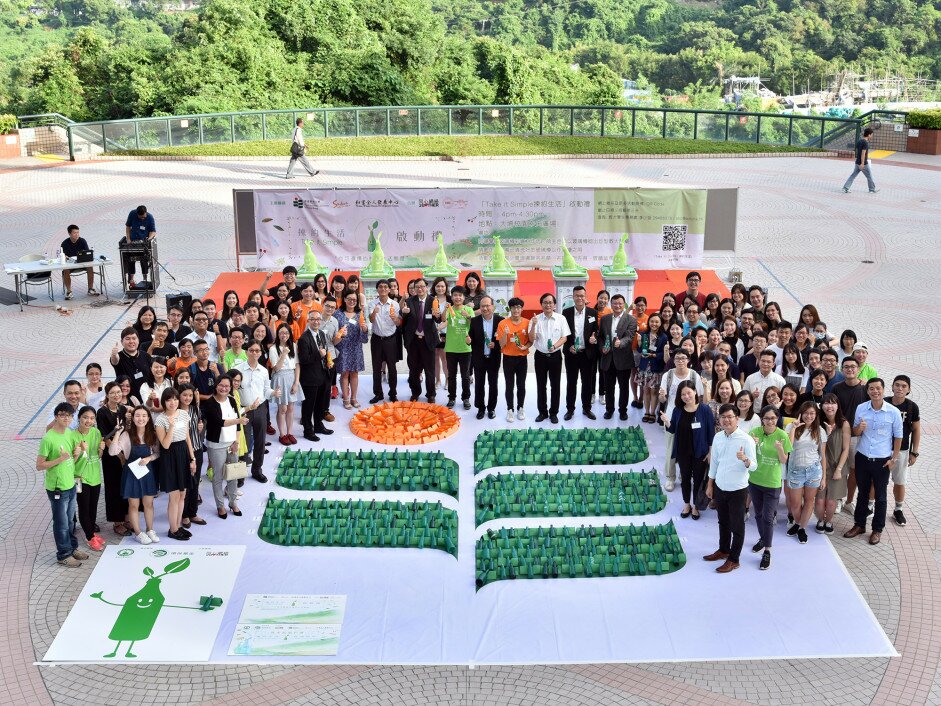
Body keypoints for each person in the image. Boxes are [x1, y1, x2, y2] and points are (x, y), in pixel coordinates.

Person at [843, 377, 902, 545]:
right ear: (867, 391)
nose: (875, 391)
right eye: (871, 389)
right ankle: (859, 525)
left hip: (882, 460)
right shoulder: (861, 408)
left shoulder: (893, 412)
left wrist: (894, 458)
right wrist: (858, 429)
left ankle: (877, 529)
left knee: (881, 496)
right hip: (862, 457)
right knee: (862, 493)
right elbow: (855, 432)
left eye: (878, 388)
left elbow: (898, 436)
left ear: (883, 390)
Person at [704, 403, 758, 573]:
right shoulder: (718, 437)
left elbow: (754, 466)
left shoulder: (746, 439)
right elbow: (714, 463)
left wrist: (745, 460)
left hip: (737, 489)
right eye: (723, 417)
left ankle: (734, 559)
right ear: (719, 420)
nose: (726, 420)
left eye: (730, 417)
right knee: (723, 521)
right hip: (720, 486)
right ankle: (723, 550)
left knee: (737, 526)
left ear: (737, 419)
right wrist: (710, 484)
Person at [37, 402, 88, 567]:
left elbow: (70, 460)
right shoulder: (48, 438)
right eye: (62, 415)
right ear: (56, 416)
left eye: (69, 415)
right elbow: (39, 465)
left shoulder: (69, 433)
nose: (66, 418)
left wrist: (77, 454)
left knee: (71, 522)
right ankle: (63, 555)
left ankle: (72, 549)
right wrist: (60, 459)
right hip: (57, 488)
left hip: (70, 484)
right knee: (61, 524)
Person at [662, 381, 715, 520]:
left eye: (689, 393)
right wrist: (666, 422)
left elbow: (711, 432)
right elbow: (673, 429)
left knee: (698, 480)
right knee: (685, 479)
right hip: (683, 451)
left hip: (700, 453)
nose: (686, 396)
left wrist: (710, 452)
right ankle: (687, 504)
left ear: (695, 392)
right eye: (683, 394)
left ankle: (696, 506)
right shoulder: (677, 410)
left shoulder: (704, 409)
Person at [748, 404, 792, 570]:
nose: (770, 421)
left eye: (773, 418)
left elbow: (783, 460)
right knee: (758, 515)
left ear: (777, 418)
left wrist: (780, 449)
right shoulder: (754, 433)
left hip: (772, 483)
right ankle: (763, 538)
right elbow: (748, 455)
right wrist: (752, 444)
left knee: (767, 517)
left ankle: (767, 550)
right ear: (762, 419)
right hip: (755, 480)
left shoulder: (782, 435)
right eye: (766, 418)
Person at [111, 405, 160, 545]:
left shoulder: (152, 433)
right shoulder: (126, 434)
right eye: (137, 415)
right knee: (133, 504)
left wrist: (149, 459)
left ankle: (150, 529)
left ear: (148, 418)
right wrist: (117, 433)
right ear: (132, 418)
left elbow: (157, 453)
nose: (141, 418)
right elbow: (113, 452)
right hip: (131, 472)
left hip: (147, 471)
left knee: (148, 503)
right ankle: (138, 532)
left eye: (144, 415)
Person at [202, 375, 247, 519]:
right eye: (221, 385)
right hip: (216, 445)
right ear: (216, 385)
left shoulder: (232, 400)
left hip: (232, 443)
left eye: (227, 386)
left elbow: (238, 426)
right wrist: (238, 419)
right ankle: (220, 506)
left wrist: (236, 442)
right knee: (218, 477)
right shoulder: (209, 403)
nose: (224, 388)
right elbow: (218, 422)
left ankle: (233, 503)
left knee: (233, 475)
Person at [154, 388, 196, 541]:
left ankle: (178, 526)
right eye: (169, 399)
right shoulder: (160, 419)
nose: (173, 402)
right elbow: (165, 445)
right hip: (169, 457)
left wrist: (193, 459)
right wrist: (171, 426)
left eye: (175, 399)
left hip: (183, 454)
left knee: (183, 494)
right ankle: (172, 529)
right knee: (174, 496)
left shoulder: (184, 414)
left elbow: (187, 438)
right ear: (164, 402)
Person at [658, 350, 704, 491]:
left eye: (683, 358)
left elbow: (700, 397)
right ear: (673, 360)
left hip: (691, 417)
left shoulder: (694, 375)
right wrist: (662, 396)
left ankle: (684, 475)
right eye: (677, 358)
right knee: (671, 449)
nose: (680, 361)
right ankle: (670, 478)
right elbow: (662, 400)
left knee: (687, 449)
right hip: (672, 417)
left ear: (689, 360)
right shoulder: (668, 375)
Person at [784, 401, 827, 544]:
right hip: (796, 470)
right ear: (801, 413)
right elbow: (787, 449)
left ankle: (802, 527)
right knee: (795, 503)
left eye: (812, 413)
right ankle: (797, 523)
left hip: (814, 470)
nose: (809, 416)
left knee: (809, 501)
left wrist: (824, 477)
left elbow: (823, 455)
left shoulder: (820, 430)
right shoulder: (791, 426)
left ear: (816, 415)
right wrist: (793, 429)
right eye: (806, 413)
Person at [234, 341, 277, 482]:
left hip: (260, 409)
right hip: (244, 410)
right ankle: (240, 474)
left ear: (260, 353)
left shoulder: (264, 371)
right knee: (243, 442)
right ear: (246, 352)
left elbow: (266, 390)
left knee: (260, 441)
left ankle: (257, 470)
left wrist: (273, 393)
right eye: (251, 350)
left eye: (257, 351)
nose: (254, 353)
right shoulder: (238, 369)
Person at [833, 356, 869, 514]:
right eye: (846, 367)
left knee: (853, 470)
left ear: (858, 369)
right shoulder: (836, 388)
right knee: (839, 468)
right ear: (842, 369)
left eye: (853, 367)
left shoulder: (864, 389)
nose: (849, 369)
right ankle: (838, 499)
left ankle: (849, 501)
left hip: (857, 436)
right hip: (840, 433)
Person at [529, 292, 570, 424]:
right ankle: (542, 412)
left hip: (555, 356)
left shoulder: (561, 318)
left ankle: (554, 413)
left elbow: (564, 337)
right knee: (541, 385)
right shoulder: (535, 319)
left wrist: (555, 346)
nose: (548, 305)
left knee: (555, 385)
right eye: (545, 302)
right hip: (540, 356)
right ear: (541, 304)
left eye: (550, 302)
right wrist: (534, 325)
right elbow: (531, 338)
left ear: (554, 305)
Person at [598, 294, 637, 421]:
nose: (617, 306)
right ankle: (609, 410)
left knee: (623, 387)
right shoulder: (605, 319)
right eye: (615, 303)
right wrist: (603, 347)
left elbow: (630, 336)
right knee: (608, 387)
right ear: (611, 304)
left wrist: (622, 343)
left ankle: (623, 410)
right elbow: (601, 337)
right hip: (607, 358)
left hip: (623, 359)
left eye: (620, 303)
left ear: (624, 304)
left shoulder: (631, 319)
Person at [815, 393, 850, 535]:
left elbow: (846, 449)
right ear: (821, 406)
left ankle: (828, 522)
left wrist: (839, 469)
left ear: (837, 405)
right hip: (820, 467)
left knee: (830, 502)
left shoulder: (844, 424)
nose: (830, 406)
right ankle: (820, 521)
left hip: (837, 467)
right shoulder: (817, 422)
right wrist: (827, 435)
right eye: (826, 403)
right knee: (819, 501)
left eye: (833, 403)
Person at [562, 285, 598, 421]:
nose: (579, 298)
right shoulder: (566, 312)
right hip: (572, 354)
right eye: (577, 296)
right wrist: (569, 346)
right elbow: (563, 332)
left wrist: (594, 338)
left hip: (587, 353)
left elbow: (596, 330)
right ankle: (570, 409)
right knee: (571, 382)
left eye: (582, 296)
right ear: (573, 297)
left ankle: (587, 408)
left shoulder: (592, 313)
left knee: (587, 383)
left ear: (585, 297)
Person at [72, 405, 105, 551]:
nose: (88, 421)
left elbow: (98, 456)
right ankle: (90, 537)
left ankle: (90, 533)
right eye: (85, 417)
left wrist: (101, 449)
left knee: (93, 507)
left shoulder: (96, 433)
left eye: (92, 418)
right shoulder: (72, 436)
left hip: (95, 476)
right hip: (79, 478)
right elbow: (70, 461)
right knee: (84, 508)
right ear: (79, 418)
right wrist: (79, 452)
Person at [889, 375, 920, 527]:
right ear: (892, 386)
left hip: (902, 450)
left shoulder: (912, 407)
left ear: (908, 389)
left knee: (900, 481)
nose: (900, 388)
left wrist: (914, 452)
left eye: (903, 386)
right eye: (897, 385)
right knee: (876, 480)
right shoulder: (885, 402)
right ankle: (870, 506)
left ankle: (898, 509)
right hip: (882, 449)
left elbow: (916, 430)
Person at [401, 278, 438, 403]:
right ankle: (415, 393)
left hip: (428, 341)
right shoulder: (410, 301)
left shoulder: (433, 300)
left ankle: (431, 394)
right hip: (414, 341)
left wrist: (436, 315)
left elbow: (438, 320)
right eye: (417, 287)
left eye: (422, 286)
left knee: (430, 370)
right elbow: (403, 322)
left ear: (426, 287)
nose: (420, 289)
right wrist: (404, 313)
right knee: (414, 370)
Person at [297, 310, 332, 441]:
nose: (316, 321)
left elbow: (325, 351)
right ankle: (308, 431)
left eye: (318, 319)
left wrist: (328, 361)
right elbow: (304, 360)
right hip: (310, 378)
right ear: (308, 321)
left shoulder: (321, 334)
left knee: (320, 404)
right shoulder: (303, 339)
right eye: (313, 319)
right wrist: (319, 354)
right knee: (308, 407)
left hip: (323, 375)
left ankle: (318, 425)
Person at [176, 383, 206, 529]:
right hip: (184, 452)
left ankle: (193, 512)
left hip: (197, 448)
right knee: (186, 484)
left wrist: (201, 429)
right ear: (179, 396)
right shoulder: (175, 411)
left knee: (195, 482)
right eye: (184, 395)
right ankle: (184, 515)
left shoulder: (195, 409)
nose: (187, 398)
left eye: (190, 395)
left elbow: (198, 430)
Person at [497, 297, 532, 422]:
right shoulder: (503, 323)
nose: (516, 310)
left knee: (521, 385)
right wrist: (506, 334)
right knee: (509, 385)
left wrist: (525, 346)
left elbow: (530, 341)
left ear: (521, 309)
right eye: (513, 307)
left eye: (518, 307)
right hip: (508, 358)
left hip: (522, 358)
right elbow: (501, 344)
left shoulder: (527, 323)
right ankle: (510, 410)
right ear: (510, 309)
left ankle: (520, 408)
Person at [440, 285, 475, 409]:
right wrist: (445, 309)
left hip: (465, 348)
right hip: (451, 348)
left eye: (460, 295)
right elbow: (443, 319)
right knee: (451, 375)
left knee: (465, 375)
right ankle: (451, 397)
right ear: (452, 296)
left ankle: (466, 398)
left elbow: (473, 325)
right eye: (455, 295)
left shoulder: (468, 310)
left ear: (464, 297)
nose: (458, 297)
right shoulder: (449, 309)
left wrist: (468, 316)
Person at [368, 279, 402, 404]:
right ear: (377, 289)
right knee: (376, 368)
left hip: (390, 340)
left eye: (385, 287)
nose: (383, 289)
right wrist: (374, 313)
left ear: (389, 289)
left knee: (392, 368)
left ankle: (393, 393)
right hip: (376, 339)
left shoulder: (395, 304)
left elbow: (398, 323)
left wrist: (395, 319)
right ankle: (378, 394)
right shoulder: (372, 304)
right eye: (380, 287)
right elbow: (371, 320)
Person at [469, 295, 502, 420]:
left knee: (493, 384)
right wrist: (468, 341)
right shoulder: (474, 321)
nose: (485, 308)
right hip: (479, 358)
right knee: (479, 384)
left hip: (494, 358)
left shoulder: (500, 320)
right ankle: (480, 408)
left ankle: (491, 408)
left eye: (488, 305)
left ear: (492, 307)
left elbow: (503, 340)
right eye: (482, 306)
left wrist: (496, 344)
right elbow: (470, 339)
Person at [335, 290, 367, 409]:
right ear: (344, 299)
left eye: (354, 300)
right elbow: (334, 332)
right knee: (344, 374)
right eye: (349, 299)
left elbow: (364, 338)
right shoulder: (337, 314)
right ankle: (346, 398)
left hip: (356, 348)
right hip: (342, 348)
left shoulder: (360, 314)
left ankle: (354, 398)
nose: (352, 301)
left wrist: (364, 330)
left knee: (354, 373)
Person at [270, 323, 301, 445]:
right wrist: (283, 354)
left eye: (287, 333)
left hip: (291, 377)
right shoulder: (273, 348)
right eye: (282, 333)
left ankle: (289, 432)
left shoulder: (293, 345)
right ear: (278, 334)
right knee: (282, 408)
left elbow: (297, 365)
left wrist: (296, 382)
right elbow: (276, 368)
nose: (284, 335)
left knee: (291, 408)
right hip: (280, 378)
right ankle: (282, 434)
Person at [110, 327, 153, 400]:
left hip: (147, 398)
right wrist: (114, 355)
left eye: (134, 338)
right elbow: (115, 361)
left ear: (138, 340)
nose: (131, 341)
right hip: (128, 399)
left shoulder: (146, 356)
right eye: (127, 339)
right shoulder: (119, 356)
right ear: (121, 341)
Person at [60, 224, 99, 299]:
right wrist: (65, 257)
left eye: (78, 232)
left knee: (90, 267)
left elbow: (87, 252)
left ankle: (90, 289)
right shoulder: (64, 243)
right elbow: (62, 255)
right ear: (69, 234)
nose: (77, 234)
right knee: (65, 270)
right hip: (70, 265)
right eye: (74, 233)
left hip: (82, 263)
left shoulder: (82, 241)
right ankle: (69, 292)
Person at [638, 312, 663, 423]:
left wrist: (654, 355)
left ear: (660, 323)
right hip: (644, 367)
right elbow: (640, 351)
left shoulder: (663, 336)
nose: (654, 324)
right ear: (649, 322)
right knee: (645, 390)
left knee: (654, 392)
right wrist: (639, 343)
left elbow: (663, 353)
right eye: (652, 321)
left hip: (655, 368)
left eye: (657, 321)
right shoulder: (643, 334)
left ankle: (653, 413)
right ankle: (646, 412)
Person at [124, 205, 156, 288]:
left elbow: (153, 231)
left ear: (146, 213)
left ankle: (145, 280)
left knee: (144, 261)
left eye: (143, 217)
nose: (142, 218)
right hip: (133, 241)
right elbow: (128, 226)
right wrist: (128, 238)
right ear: (137, 214)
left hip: (144, 242)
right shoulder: (132, 214)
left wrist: (148, 239)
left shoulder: (150, 217)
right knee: (131, 261)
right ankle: (131, 280)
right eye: (140, 217)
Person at [430, 277, 451, 391]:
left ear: (446, 287)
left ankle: (448, 379)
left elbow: (450, 318)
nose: (440, 288)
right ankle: (437, 379)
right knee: (435, 357)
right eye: (438, 286)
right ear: (434, 287)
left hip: (446, 333)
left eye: (442, 286)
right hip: (433, 333)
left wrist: (440, 327)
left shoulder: (450, 300)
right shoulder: (431, 299)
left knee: (444, 358)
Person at [843, 127, 878, 193]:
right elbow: (863, 153)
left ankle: (846, 187)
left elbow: (858, 151)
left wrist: (859, 162)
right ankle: (872, 190)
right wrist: (862, 163)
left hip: (857, 162)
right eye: (872, 135)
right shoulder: (865, 143)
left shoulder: (859, 141)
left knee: (853, 175)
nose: (872, 136)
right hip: (863, 163)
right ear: (869, 135)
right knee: (869, 176)